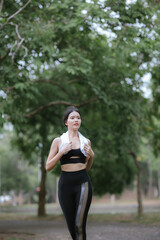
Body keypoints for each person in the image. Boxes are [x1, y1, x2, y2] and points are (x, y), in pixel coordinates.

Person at [46, 106, 94, 240]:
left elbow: (87, 167)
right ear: (66, 122)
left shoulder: (86, 142)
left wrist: (92, 155)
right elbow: (48, 166)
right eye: (72, 118)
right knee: (72, 228)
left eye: (78, 118)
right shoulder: (58, 141)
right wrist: (61, 152)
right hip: (65, 185)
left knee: (79, 226)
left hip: (83, 183)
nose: (76, 120)